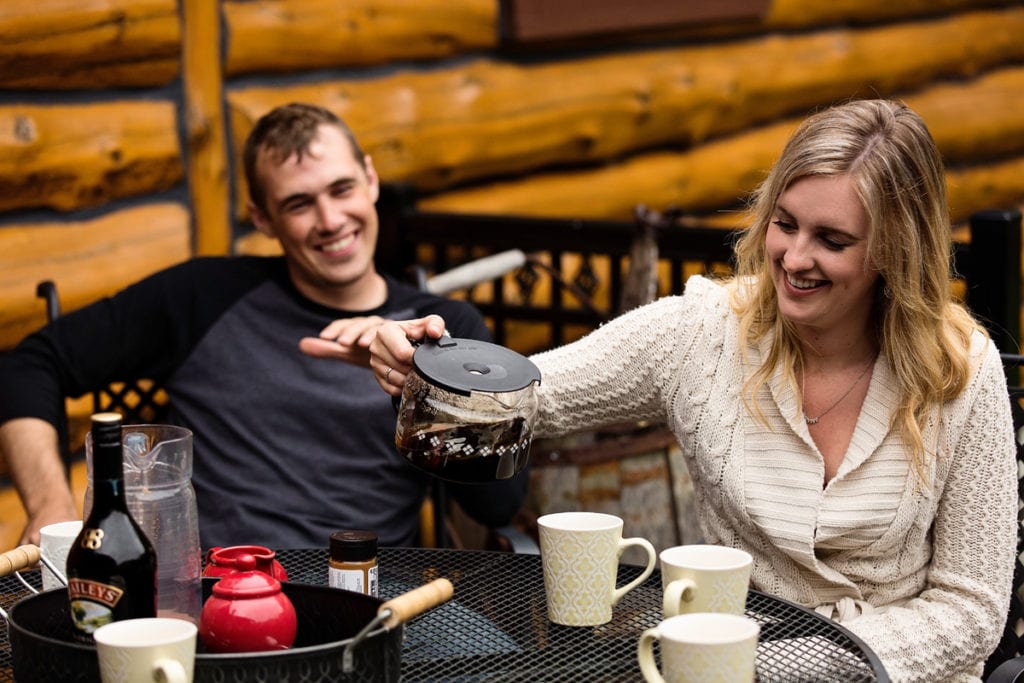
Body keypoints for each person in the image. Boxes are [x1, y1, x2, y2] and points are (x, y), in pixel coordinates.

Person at [368, 99, 1017, 681]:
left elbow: (972, 609)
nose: (792, 257)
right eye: (785, 223)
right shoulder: (704, 333)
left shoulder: (960, 373)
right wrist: (423, 365)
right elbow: (533, 394)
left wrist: (806, 661)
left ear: (894, 251)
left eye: (832, 239)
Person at [0, 102, 527, 550]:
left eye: (341, 188)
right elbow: (30, 364)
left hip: (376, 599)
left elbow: (499, 504)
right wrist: (51, 503)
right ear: (261, 218)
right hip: (217, 602)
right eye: (299, 203)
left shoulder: (442, 328)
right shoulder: (203, 296)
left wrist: (411, 381)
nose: (330, 220)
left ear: (370, 181)